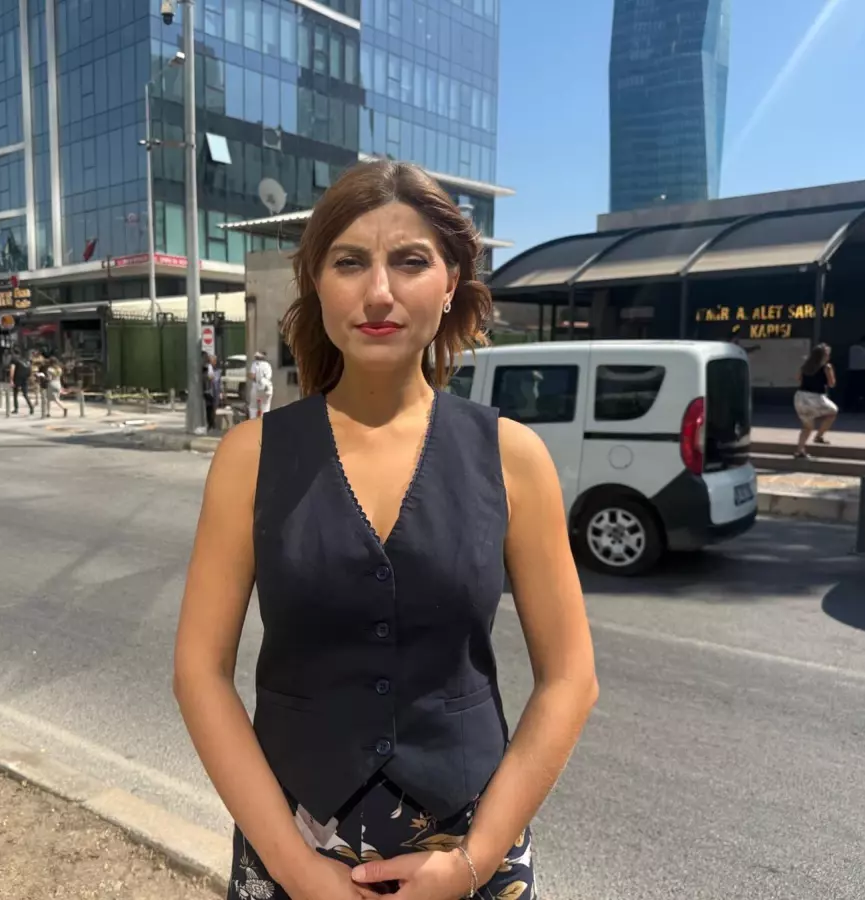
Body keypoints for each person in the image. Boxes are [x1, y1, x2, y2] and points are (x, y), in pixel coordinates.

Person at [172, 160, 598, 900]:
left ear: (451, 282)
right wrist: (298, 869)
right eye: (349, 263)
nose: (378, 292)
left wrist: (471, 863)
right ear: (316, 283)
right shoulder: (251, 458)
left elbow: (571, 679)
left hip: (469, 847)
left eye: (410, 262)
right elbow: (198, 673)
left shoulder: (512, 458)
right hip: (291, 844)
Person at [793, 343, 837, 458]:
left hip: (800, 397)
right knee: (833, 411)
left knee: (807, 426)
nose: (829, 356)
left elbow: (798, 378)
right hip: (816, 397)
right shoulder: (827, 367)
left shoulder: (805, 366)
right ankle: (819, 436)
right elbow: (832, 384)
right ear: (824, 355)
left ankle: (800, 450)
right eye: (828, 354)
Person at [845, 335, 865, 413]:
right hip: (863, 371)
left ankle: (849, 406)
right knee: (862, 390)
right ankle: (860, 407)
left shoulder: (852, 348)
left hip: (852, 371)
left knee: (852, 389)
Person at [247, 350, 274, 419]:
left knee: (253, 407)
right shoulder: (268, 365)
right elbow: (269, 376)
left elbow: (252, 375)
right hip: (268, 388)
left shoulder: (255, 364)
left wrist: (249, 375)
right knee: (266, 408)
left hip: (257, 387)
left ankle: (253, 422)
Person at [9, 351, 34, 415]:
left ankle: (16, 409)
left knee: (15, 393)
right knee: (25, 394)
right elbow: (30, 369)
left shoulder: (14, 360)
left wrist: (11, 379)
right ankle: (31, 407)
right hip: (25, 378)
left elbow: (12, 369)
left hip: (17, 378)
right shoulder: (24, 359)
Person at [203, 353, 222, 432]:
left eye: (214, 361)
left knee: (214, 407)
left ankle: (212, 422)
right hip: (209, 391)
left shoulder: (218, 371)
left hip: (216, 391)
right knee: (209, 408)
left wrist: (221, 392)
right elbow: (208, 378)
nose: (214, 362)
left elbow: (219, 382)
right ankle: (210, 424)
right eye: (212, 360)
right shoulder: (206, 369)